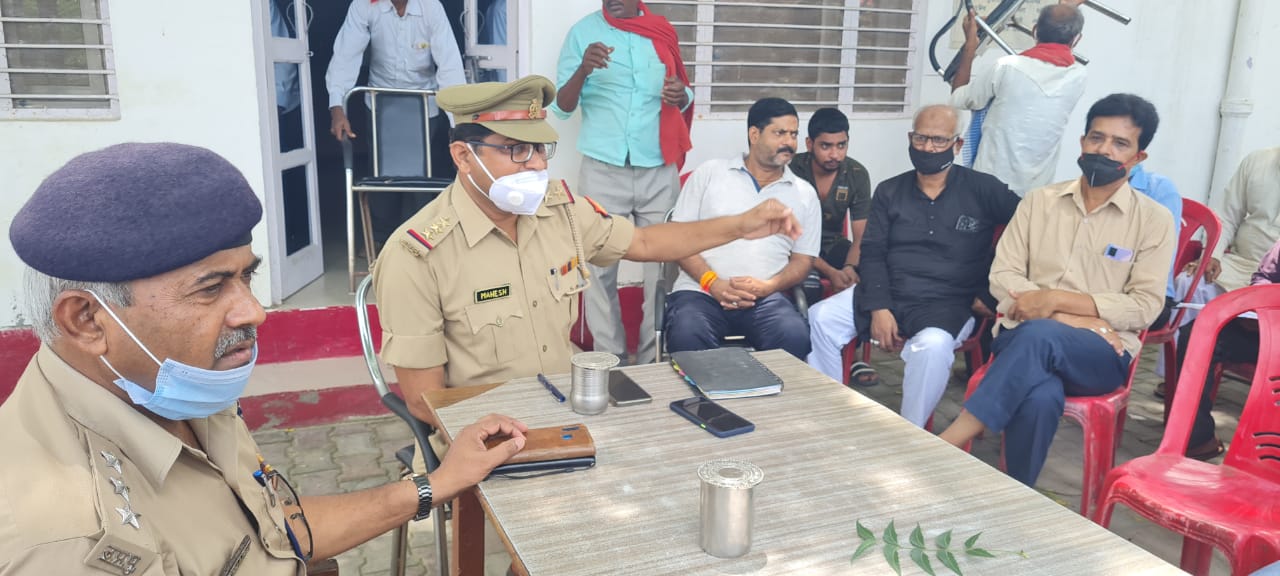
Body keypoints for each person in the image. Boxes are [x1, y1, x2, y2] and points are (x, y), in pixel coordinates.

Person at [0, 143, 527, 574]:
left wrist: (438, 483)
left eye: (246, 276)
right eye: (210, 288)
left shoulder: (166, 384)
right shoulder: (69, 541)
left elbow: (271, 531)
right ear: (86, 321)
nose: (254, 312)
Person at [371, 76, 802, 427]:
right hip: (488, 435)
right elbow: (427, 402)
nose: (537, 164)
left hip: (573, 409)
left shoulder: (561, 211)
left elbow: (646, 242)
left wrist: (741, 225)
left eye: (540, 148)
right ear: (464, 157)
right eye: (517, 149)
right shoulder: (418, 256)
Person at [936, 94, 1176, 487]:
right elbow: (1003, 274)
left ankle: (945, 443)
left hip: (1100, 353)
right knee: (1039, 395)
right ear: (1082, 142)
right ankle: (1016, 493)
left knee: (1040, 335)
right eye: (1097, 137)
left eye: (1120, 143)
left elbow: (1145, 305)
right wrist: (1067, 316)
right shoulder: (1039, 202)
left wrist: (1054, 300)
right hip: (1023, 336)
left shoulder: (1154, 221)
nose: (1104, 149)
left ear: (1138, 157)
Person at [807, 105, 1019, 421]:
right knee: (821, 317)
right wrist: (879, 308)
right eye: (921, 138)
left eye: (939, 140)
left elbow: (1027, 232)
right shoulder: (890, 190)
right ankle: (827, 414)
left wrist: (991, 291)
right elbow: (873, 251)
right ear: (910, 138)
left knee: (932, 346)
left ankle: (912, 431)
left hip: (948, 302)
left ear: (957, 145)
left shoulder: (984, 189)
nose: (928, 148)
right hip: (890, 291)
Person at [552, 0, 694, 365]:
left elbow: (684, 91)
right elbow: (562, 107)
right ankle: (610, 361)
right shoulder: (583, 33)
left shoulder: (661, 31)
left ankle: (650, 361)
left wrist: (681, 95)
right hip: (603, 169)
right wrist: (583, 69)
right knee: (598, 270)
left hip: (657, 168)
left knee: (661, 269)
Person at [663, 97, 822, 360]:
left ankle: (767, 390)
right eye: (780, 133)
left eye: (794, 134)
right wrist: (713, 283)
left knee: (793, 335)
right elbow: (678, 239)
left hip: (765, 299)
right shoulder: (711, 174)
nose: (790, 142)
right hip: (701, 292)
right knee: (687, 333)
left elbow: (803, 260)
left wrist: (768, 286)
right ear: (754, 134)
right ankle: (702, 391)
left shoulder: (804, 193)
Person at [326, 0, 467, 247]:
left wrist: (458, 125)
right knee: (383, 179)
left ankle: (417, 245)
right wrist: (337, 107)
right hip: (380, 104)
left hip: (424, 105)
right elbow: (346, 56)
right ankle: (382, 246)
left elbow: (450, 66)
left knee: (420, 181)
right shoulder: (365, 5)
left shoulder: (430, 7)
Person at [950, 2, 1087, 196]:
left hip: (988, 188)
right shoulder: (1078, 76)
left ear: (1035, 30)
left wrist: (970, 46)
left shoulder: (1006, 67)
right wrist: (1066, 6)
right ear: (1077, 40)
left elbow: (957, 98)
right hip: (1035, 194)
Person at [1169, 237, 1280, 460]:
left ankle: (1267, 456)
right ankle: (1197, 438)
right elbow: (1264, 277)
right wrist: (1259, 305)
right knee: (1200, 333)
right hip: (1268, 329)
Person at [1173, 147, 1280, 324]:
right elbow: (1227, 215)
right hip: (1240, 264)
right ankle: (1177, 343)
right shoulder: (1258, 161)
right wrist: (1211, 255)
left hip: (1275, 276)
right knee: (1189, 282)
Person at [788, 108, 872, 302]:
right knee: (809, 285)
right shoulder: (791, 170)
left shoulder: (857, 174)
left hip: (832, 245)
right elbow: (785, 236)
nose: (835, 154)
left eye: (841, 145)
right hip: (794, 247)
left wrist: (849, 267)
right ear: (810, 144)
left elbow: (861, 237)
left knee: (874, 270)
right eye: (826, 146)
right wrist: (831, 272)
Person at [1128, 162, 1183, 330]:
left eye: (1120, 147)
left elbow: (1160, 261)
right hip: (1094, 289)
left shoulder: (1159, 190)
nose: (1105, 151)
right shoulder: (1086, 189)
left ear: (1139, 154)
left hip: (1146, 295)